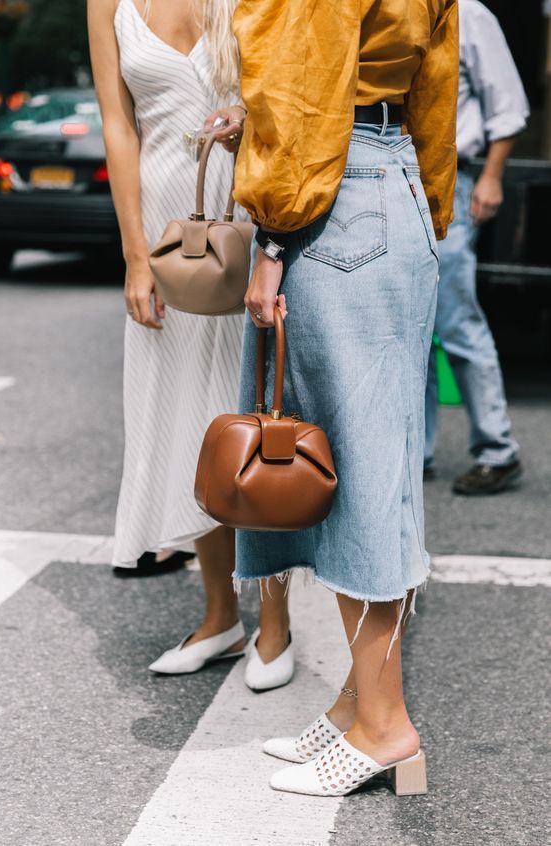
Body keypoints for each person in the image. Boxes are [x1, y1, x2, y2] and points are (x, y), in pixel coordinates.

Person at [231, 0, 458, 796]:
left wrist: (270, 237)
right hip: (388, 181)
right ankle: (357, 706)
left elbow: (303, 86)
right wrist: (426, 207)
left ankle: (384, 729)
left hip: (334, 194)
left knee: (354, 481)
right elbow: (433, 83)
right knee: (372, 469)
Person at [87, 0, 293, 691]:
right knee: (186, 421)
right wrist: (135, 255)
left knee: (253, 420)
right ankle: (218, 617)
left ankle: (274, 620)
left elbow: (285, 88)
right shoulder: (106, 4)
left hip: (241, 216)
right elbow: (118, 125)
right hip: (165, 234)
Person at [424, 0, 529, 494]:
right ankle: (416, 452)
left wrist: (491, 177)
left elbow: (508, 106)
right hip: (401, 181)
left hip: (455, 183)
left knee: (457, 321)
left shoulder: (470, 12)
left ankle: (498, 450)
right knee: (411, 329)